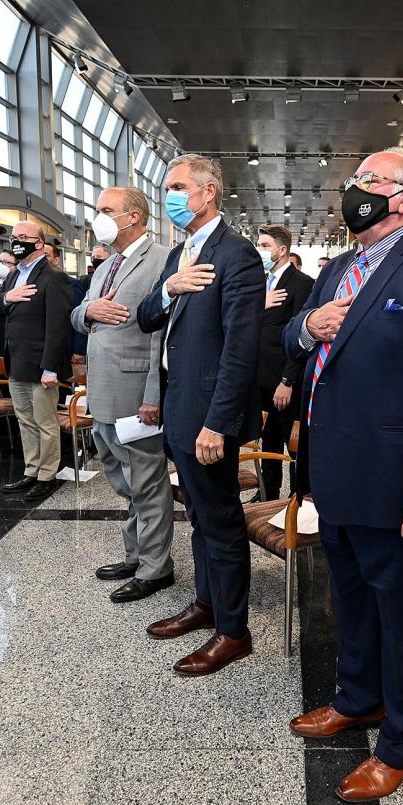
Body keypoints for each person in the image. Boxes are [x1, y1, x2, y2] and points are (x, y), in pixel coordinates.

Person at [283, 147, 403, 802]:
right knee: (351, 602)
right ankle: (358, 697)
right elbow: (292, 335)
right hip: (336, 476)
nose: (353, 189)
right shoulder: (338, 267)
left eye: (369, 180)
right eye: (354, 179)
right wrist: (307, 326)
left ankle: (402, 742)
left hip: (399, 486)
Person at [137, 153, 264, 677]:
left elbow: (240, 348)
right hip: (179, 408)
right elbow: (147, 318)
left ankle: (233, 630)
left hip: (207, 415)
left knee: (222, 520)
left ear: (208, 192)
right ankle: (207, 603)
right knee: (199, 517)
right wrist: (169, 288)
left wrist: (218, 422)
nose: (168, 195)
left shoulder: (237, 256)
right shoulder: (179, 256)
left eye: (176, 186)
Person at [71, 187, 176, 604]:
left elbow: (162, 334)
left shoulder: (163, 260)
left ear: (133, 217)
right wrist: (89, 312)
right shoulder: (105, 264)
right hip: (102, 390)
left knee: (147, 482)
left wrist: (154, 394)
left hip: (137, 394)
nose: (97, 216)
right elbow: (79, 314)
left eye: (105, 210)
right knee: (122, 479)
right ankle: (135, 554)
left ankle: (156, 569)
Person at [0, 221, 72, 501]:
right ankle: (31, 470)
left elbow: (58, 326)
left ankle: (47, 475)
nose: (16, 241)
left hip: (40, 364)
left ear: (39, 242)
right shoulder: (13, 276)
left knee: (45, 422)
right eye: (13, 237)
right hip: (16, 360)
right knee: (25, 420)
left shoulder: (53, 276)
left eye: (23, 237)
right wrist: (8, 297)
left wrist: (51, 368)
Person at [254, 224, 313, 500]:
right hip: (261, 378)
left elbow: (302, 336)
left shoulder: (302, 283)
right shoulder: (259, 283)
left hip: (285, 381)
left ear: (282, 250)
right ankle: (269, 492)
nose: (260, 250)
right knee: (270, 440)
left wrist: (287, 380)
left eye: (265, 246)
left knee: (295, 444)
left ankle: (299, 497)